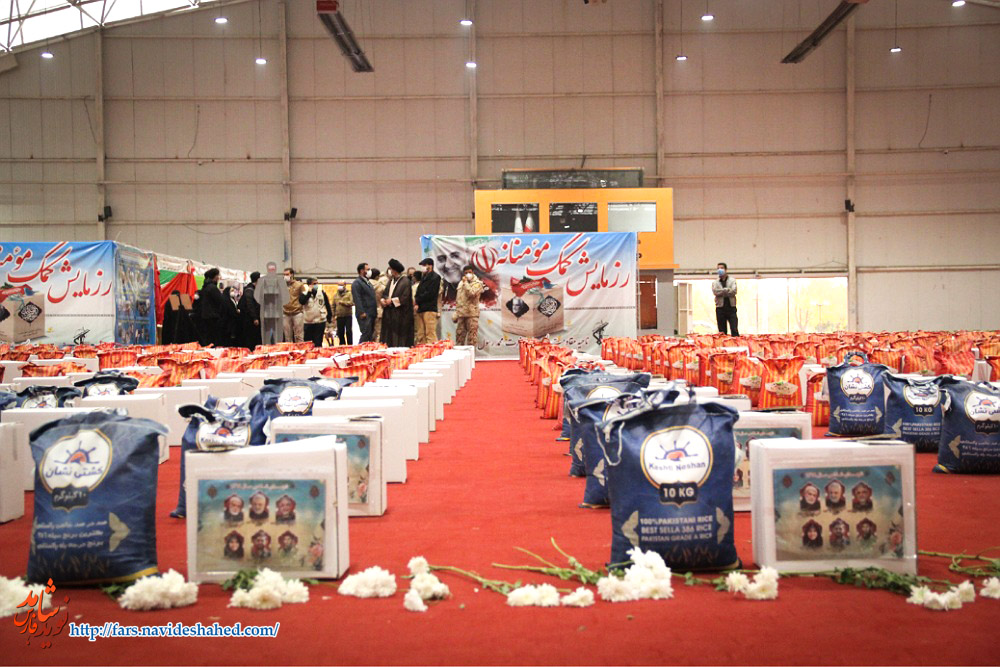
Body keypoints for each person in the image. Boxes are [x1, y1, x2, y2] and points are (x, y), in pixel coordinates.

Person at [380, 258, 414, 347]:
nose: (390, 271)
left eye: (391, 269)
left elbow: (405, 298)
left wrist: (391, 301)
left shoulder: (405, 281)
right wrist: (383, 300)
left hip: (401, 314)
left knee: (400, 337)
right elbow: (385, 294)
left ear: (395, 270)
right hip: (389, 314)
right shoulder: (391, 281)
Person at [255, 262, 285, 346]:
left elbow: (285, 298)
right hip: (266, 315)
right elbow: (257, 297)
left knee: (277, 337)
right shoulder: (261, 281)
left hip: (276, 315)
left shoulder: (281, 281)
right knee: (267, 337)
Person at [196, 268, 229, 347]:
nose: (219, 277)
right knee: (214, 338)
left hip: (204, 316)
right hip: (213, 317)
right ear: (215, 277)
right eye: (218, 275)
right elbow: (220, 301)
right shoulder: (213, 288)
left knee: (207, 337)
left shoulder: (205, 287)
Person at [455, 264, 484, 347]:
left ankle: (471, 354)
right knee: (459, 337)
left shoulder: (478, 283)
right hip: (461, 314)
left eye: (469, 272)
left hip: (472, 314)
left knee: (472, 338)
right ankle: (460, 355)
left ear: (473, 273)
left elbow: (472, 293)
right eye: (466, 273)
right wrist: (457, 312)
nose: (468, 274)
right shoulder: (461, 283)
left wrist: (465, 283)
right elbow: (458, 299)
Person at [415, 258, 441, 344]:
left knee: (430, 333)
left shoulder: (435, 277)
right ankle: (422, 349)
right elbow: (418, 290)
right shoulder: (423, 277)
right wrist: (416, 301)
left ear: (430, 266)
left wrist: (418, 299)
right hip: (421, 308)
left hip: (429, 308)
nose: (422, 267)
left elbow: (430, 293)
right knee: (421, 334)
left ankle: (432, 350)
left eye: (424, 265)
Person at [299, 277, 328, 348]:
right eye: (314, 284)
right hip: (308, 322)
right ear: (309, 284)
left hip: (320, 321)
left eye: (317, 283)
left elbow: (327, 305)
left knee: (318, 343)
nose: (316, 285)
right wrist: (309, 292)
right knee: (308, 344)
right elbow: (302, 302)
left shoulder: (322, 293)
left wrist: (329, 318)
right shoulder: (304, 294)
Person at [352, 262, 378, 343]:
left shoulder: (367, 282)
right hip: (365, 313)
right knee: (366, 334)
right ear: (362, 270)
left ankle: (368, 349)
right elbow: (357, 298)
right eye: (368, 269)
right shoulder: (357, 283)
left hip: (371, 312)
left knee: (370, 335)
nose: (370, 271)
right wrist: (361, 312)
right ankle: (360, 349)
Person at [712, 262, 739, 336]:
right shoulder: (715, 282)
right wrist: (727, 290)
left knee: (734, 329)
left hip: (731, 307)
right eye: (718, 268)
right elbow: (715, 292)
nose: (720, 270)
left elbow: (734, 291)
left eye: (721, 268)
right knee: (722, 331)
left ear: (726, 270)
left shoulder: (732, 280)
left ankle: (736, 342)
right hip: (720, 308)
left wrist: (722, 291)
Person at [238, 272, 262, 350]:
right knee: (252, 338)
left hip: (251, 318)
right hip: (250, 319)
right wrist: (255, 318)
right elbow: (250, 305)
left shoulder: (251, 289)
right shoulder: (250, 290)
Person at [283, 267, 307, 343]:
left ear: (292, 274)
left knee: (299, 336)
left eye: (287, 274)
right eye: (284, 274)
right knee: (287, 337)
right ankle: (289, 350)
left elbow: (304, 298)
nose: (285, 276)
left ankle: (300, 349)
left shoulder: (299, 285)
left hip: (297, 312)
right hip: (285, 313)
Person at [333, 282, 354, 346]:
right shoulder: (336, 295)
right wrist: (333, 315)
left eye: (341, 285)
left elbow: (352, 302)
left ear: (345, 285)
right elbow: (333, 305)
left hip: (348, 315)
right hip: (339, 316)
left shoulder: (349, 294)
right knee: (340, 332)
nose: (340, 286)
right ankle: (342, 345)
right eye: (339, 285)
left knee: (348, 331)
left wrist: (343, 302)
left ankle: (350, 345)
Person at [372, 268, 388, 342]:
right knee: (379, 332)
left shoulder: (365, 285)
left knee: (370, 332)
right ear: (377, 276)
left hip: (368, 312)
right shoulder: (381, 287)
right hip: (379, 311)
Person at [411, 270, 424, 344]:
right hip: (423, 309)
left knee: (417, 329)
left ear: (414, 278)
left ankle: (417, 344)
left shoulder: (414, 287)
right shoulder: (424, 286)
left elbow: (413, 299)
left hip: (416, 309)